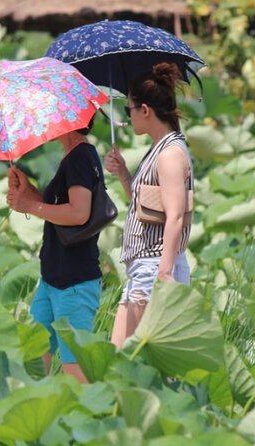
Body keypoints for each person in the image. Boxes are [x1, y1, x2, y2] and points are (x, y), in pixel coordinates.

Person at [6, 118, 103, 384]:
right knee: (35, 359)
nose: (43, 121)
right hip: (53, 279)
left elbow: (79, 213)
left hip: (73, 282)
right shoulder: (74, 155)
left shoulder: (80, 157)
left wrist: (29, 206)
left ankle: (89, 422)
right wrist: (30, 192)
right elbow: (60, 210)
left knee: (76, 370)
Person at [104, 62, 194, 349]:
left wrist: (164, 274)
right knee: (119, 352)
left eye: (129, 109)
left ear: (145, 110)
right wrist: (123, 174)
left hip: (155, 265)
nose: (128, 117)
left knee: (134, 356)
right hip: (142, 267)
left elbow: (176, 216)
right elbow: (147, 207)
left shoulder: (169, 154)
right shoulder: (161, 148)